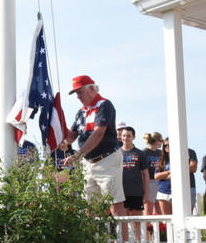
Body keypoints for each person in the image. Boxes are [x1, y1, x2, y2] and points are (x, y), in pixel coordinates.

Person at [63, 75, 125, 217]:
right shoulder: (81, 112)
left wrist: (78, 155)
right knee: (90, 206)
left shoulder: (104, 105)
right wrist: (58, 120)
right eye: (76, 93)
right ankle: (95, 239)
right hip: (89, 162)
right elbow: (70, 137)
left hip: (106, 159)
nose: (78, 96)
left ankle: (124, 239)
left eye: (80, 92)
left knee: (115, 204)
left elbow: (98, 133)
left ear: (92, 88)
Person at [120, 127, 149, 218]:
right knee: (123, 221)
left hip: (136, 192)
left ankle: (138, 233)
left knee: (137, 222)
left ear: (133, 137)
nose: (126, 138)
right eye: (124, 135)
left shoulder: (140, 153)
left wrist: (146, 194)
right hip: (121, 193)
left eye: (128, 136)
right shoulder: (116, 153)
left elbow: (146, 175)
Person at [143, 132, 164, 215]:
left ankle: (160, 227)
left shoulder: (161, 153)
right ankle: (147, 227)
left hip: (160, 181)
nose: (162, 143)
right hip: (149, 181)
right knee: (148, 208)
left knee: (159, 209)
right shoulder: (144, 152)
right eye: (161, 140)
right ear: (156, 141)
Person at [155, 138, 172, 215]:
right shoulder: (161, 159)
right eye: (165, 145)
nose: (167, 147)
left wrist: (163, 175)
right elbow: (156, 176)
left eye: (169, 145)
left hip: (175, 192)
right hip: (163, 191)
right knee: (167, 220)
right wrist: (169, 172)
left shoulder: (179, 158)